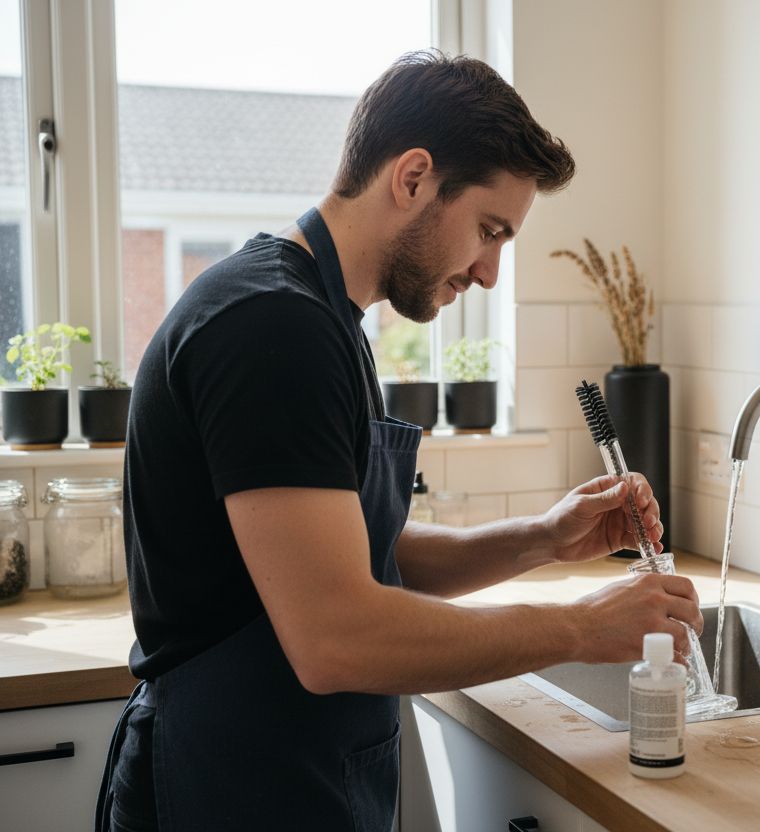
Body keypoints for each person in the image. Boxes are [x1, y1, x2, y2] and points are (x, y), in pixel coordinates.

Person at [96, 50, 701, 832]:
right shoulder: (272, 327)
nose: (488, 272)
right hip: (230, 785)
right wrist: (582, 627)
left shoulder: (320, 316)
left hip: (290, 773)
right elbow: (336, 634)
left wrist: (543, 538)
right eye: (490, 230)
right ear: (413, 178)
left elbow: (358, 554)